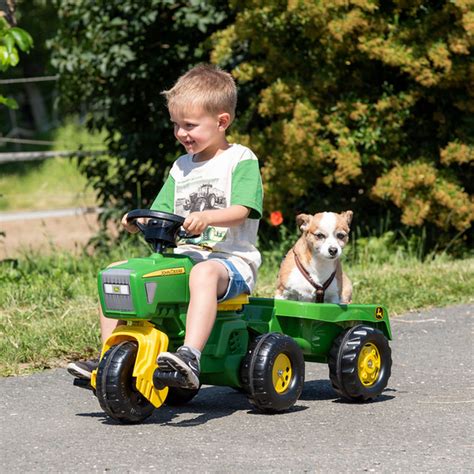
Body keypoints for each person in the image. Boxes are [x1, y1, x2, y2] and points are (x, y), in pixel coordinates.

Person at [68, 64, 263, 389]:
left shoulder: (240, 160)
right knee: (118, 271)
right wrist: (137, 220)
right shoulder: (181, 167)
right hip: (184, 259)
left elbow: (244, 210)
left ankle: (190, 355)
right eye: (176, 125)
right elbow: (159, 211)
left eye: (190, 125)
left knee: (203, 274)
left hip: (230, 263)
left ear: (222, 122)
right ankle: (111, 355)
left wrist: (208, 217)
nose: (181, 133)